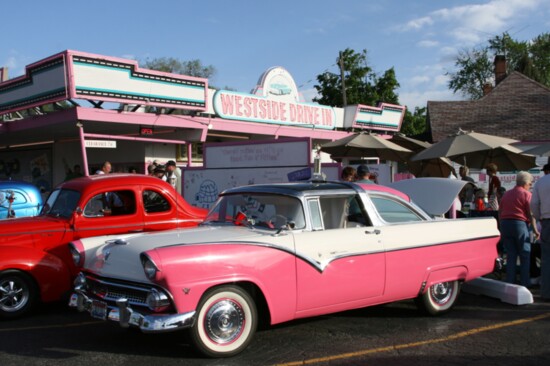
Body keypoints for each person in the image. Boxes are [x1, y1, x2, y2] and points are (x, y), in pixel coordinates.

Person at [499, 171, 539, 287]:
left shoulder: (506, 194)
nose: (530, 186)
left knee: (511, 255)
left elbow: (500, 211)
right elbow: (530, 214)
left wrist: (502, 224)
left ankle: (510, 283)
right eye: (530, 184)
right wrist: (536, 230)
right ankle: (524, 283)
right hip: (519, 224)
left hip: (505, 224)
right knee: (525, 254)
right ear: (525, 183)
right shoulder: (526, 194)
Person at [531, 163, 550, 301]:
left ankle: (546, 292)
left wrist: (540, 218)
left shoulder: (540, 182)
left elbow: (534, 204)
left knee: (546, 259)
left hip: (546, 220)